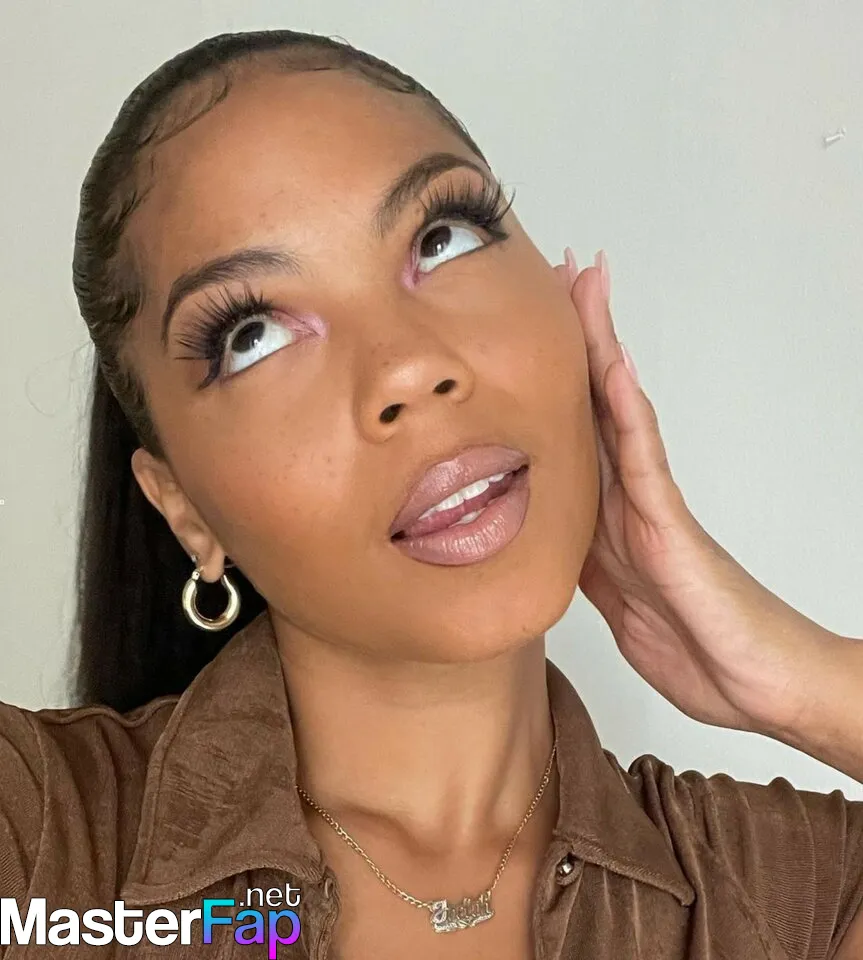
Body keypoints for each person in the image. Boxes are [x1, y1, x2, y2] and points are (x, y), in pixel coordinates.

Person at [1, 28, 862, 960]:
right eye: (252, 335)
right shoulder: (39, 846)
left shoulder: (793, 896)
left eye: (441, 237)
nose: (408, 366)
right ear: (185, 510)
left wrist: (786, 677)